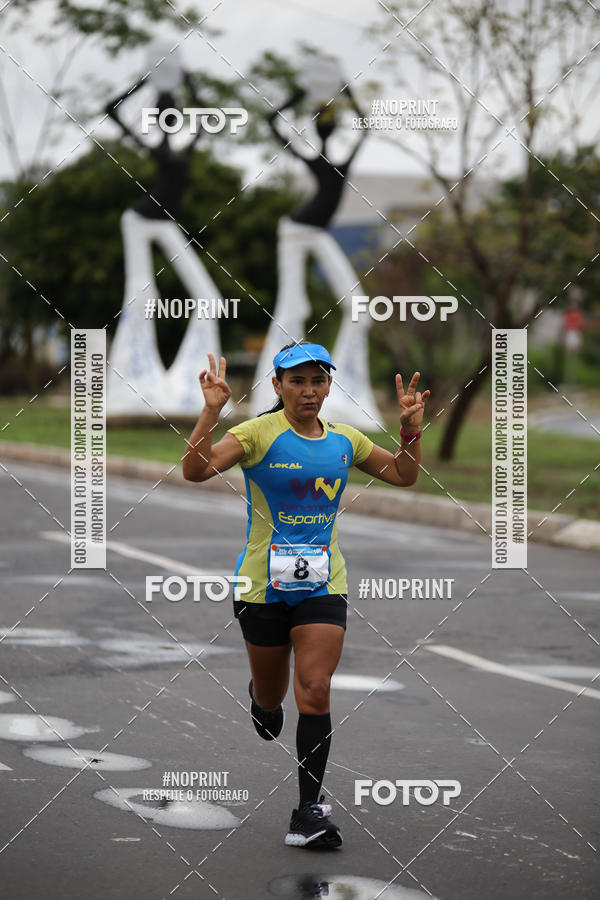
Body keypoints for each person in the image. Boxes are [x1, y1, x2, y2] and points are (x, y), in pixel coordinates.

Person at [182, 341, 430, 848]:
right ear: (277, 386)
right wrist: (210, 412)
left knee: (315, 689)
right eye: (297, 381)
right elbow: (196, 470)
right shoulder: (256, 433)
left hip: (323, 584)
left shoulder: (346, 441)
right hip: (261, 588)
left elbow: (405, 475)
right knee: (273, 705)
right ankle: (261, 697)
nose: (308, 391)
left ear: (329, 386)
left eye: (318, 381)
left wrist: (409, 429)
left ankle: (308, 813)